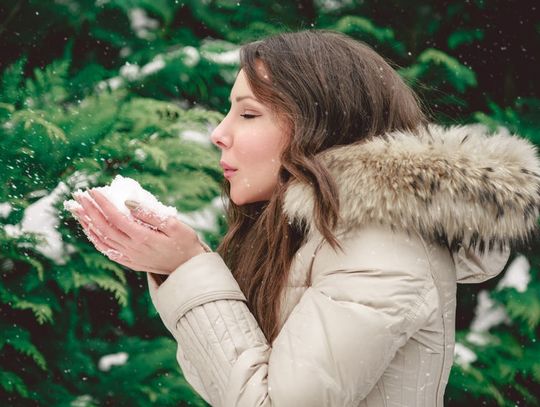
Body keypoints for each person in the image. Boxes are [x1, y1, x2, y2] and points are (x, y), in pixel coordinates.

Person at [70, 30, 540, 406]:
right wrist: (180, 266)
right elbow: (231, 385)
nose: (219, 133)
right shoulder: (311, 235)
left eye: (248, 114)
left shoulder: (381, 244)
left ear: (322, 124)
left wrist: (188, 269)